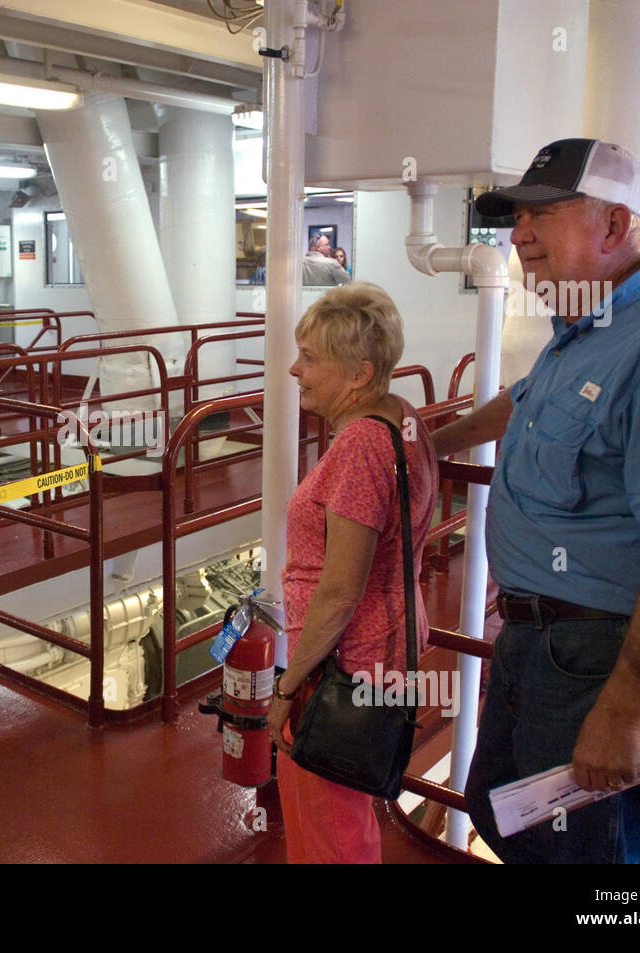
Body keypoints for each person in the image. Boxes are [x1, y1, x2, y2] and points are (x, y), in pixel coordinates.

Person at [433, 138, 640, 863]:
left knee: (586, 857)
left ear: (613, 227)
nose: (518, 235)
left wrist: (621, 710)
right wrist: (433, 445)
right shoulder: (588, 328)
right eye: (517, 217)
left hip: (606, 657)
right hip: (544, 640)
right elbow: (523, 402)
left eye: (541, 216)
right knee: (502, 809)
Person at [268, 282, 439, 863]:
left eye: (311, 358)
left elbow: (340, 590)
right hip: (381, 649)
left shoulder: (361, 446)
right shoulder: (400, 416)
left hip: (343, 666)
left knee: (327, 829)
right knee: (344, 818)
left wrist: (288, 689)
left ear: (360, 374)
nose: (295, 369)